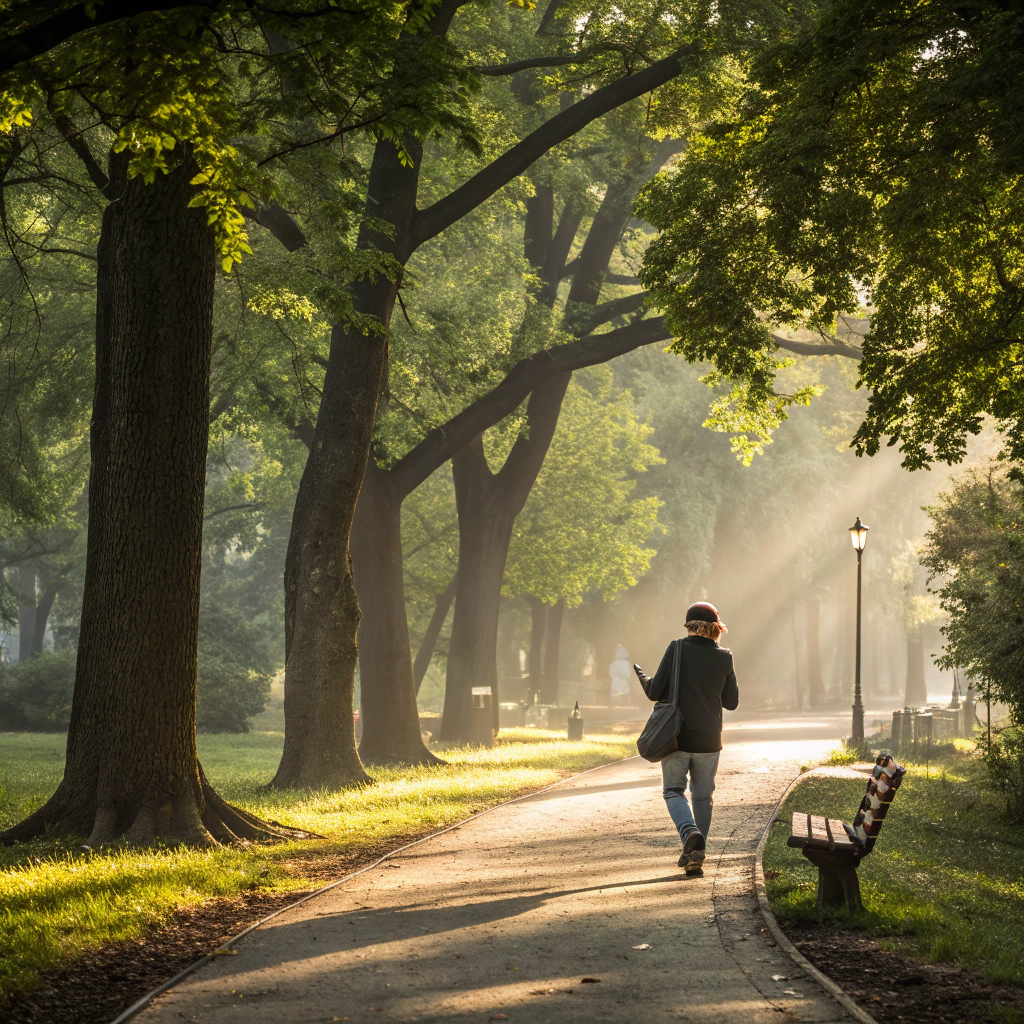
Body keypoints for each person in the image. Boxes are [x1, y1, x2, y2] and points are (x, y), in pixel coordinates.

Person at [644, 602, 738, 876]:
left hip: (676, 737)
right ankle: (697, 856)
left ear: (689, 626)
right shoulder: (725, 657)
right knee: (703, 796)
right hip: (709, 740)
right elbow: (731, 702)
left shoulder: (676, 649)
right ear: (716, 628)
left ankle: (689, 834)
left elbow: (655, 692)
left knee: (674, 791)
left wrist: (646, 680)